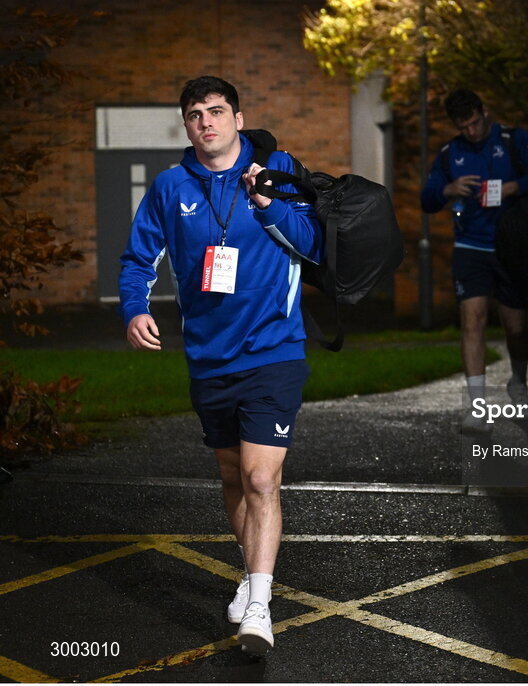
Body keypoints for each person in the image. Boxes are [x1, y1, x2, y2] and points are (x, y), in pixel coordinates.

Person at [119, 76, 321, 654]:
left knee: (261, 477)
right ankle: (252, 571)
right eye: (194, 114)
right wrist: (134, 310)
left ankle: (259, 605)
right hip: (209, 356)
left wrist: (266, 205)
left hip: (274, 349)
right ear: (186, 126)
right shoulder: (170, 187)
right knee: (233, 478)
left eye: (216, 111)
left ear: (237, 117)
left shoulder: (277, 170)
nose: (206, 122)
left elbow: (312, 244)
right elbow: (138, 259)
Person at [420, 89, 528, 434]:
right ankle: (477, 408)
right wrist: (448, 190)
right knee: (473, 321)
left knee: (515, 327)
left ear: (485, 111)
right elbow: (427, 198)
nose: (471, 131)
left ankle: (518, 382)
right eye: (463, 126)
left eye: (475, 122)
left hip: (512, 247)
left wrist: (514, 187)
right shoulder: (449, 153)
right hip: (470, 248)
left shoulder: (514, 140)